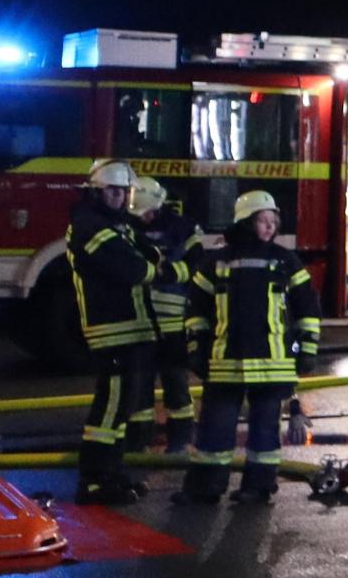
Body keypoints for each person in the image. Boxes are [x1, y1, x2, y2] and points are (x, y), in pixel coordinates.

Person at [177, 191, 321, 505]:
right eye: (262, 220)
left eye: (274, 221)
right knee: (215, 432)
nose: (270, 227)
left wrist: (307, 348)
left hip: (271, 365)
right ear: (245, 222)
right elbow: (196, 310)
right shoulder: (215, 262)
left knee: (265, 435)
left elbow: (308, 305)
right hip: (225, 363)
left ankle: (257, 488)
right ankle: (205, 488)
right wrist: (195, 349)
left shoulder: (286, 261)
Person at [70, 160, 186, 502]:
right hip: (112, 328)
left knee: (122, 410)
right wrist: (157, 267)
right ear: (96, 191)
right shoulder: (90, 226)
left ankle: (113, 474)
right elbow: (134, 267)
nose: (119, 198)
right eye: (112, 191)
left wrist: (152, 260)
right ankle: (94, 480)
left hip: (132, 327)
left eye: (123, 192)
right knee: (109, 409)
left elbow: (147, 252)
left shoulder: (116, 225)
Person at [131, 177, 203, 454]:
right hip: (138, 324)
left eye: (148, 212)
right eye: (141, 214)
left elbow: (197, 265)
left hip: (173, 325)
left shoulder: (182, 228)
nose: (145, 218)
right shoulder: (127, 227)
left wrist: (173, 272)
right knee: (139, 389)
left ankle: (181, 443)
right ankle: (138, 446)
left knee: (176, 387)